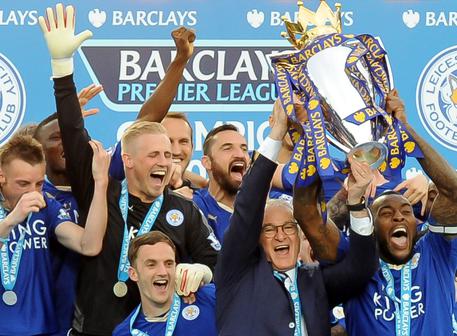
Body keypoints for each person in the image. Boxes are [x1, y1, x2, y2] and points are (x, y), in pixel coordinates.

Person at [39, 5, 220, 334]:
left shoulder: (185, 211)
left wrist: (202, 272)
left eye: (168, 154)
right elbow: (74, 132)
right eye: (154, 154)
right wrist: (62, 68)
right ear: (127, 159)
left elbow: (219, 266)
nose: (165, 162)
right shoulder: (100, 189)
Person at [215, 99, 378, 335]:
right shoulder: (238, 273)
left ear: (299, 235)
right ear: (257, 240)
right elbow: (248, 207)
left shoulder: (314, 281)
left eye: (289, 227)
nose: (281, 235)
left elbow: (362, 268)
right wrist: (278, 131)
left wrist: (356, 202)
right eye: (269, 230)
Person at [343, 90, 457, 335]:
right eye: (385, 213)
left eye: (407, 211)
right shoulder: (354, 261)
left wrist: (405, 128)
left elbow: (453, 191)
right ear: (369, 228)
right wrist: (348, 197)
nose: (398, 217)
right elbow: (313, 225)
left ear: (418, 222)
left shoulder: (435, 250)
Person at [0, 134, 109, 335]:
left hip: (42, 328)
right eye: (23, 184)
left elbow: (89, 245)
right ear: (1, 177)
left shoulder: (46, 206)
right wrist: (10, 221)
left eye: (39, 184)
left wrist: (101, 183)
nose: (33, 193)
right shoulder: (17, 214)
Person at [113, 231, 216, 336]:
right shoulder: (125, 332)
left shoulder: (207, 297)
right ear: (133, 274)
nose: (162, 272)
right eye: (151, 265)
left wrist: (207, 272)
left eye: (169, 263)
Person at [193, 124, 249, 243]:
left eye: (244, 149)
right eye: (227, 148)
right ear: (207, 162)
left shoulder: (260, 212)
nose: (240, 154)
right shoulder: (194, 206)